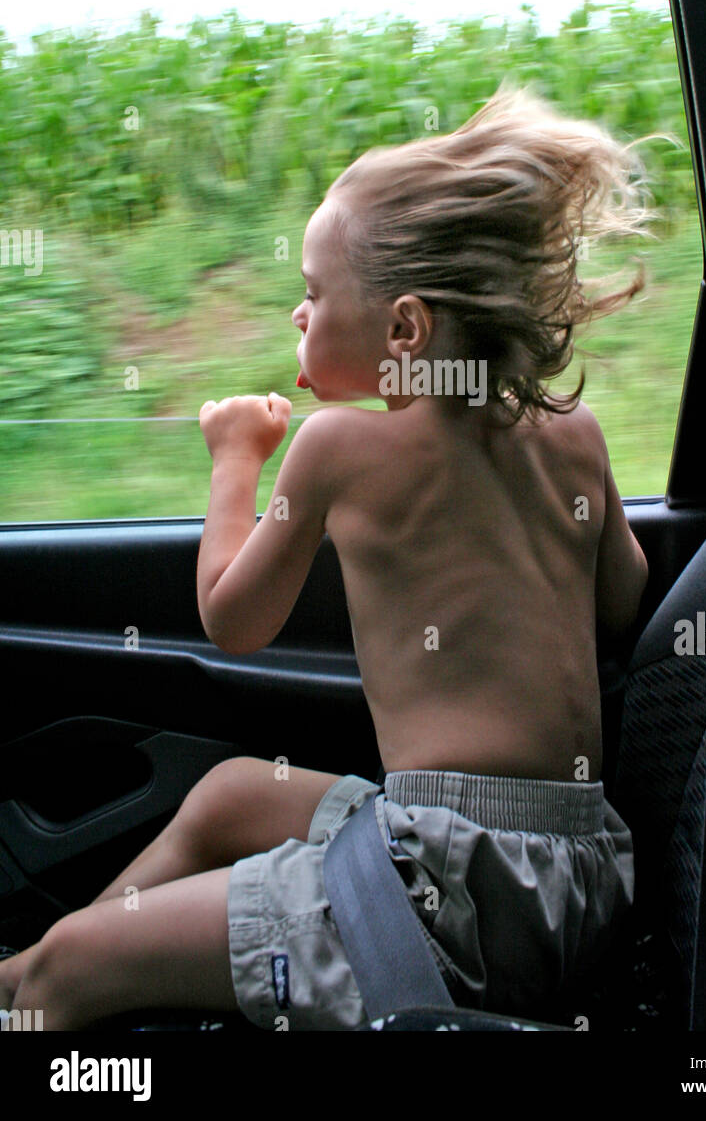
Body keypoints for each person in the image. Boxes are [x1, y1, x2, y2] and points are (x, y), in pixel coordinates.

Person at [0, 78, 652, 1030]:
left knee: (58, 973)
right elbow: (623, 604)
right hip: (582, 873)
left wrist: (235, 460)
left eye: (312, 293)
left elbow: (233, 618)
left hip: (448, 895)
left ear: (404, 328)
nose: (298, 317)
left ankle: (55, 977)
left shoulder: (339, 449)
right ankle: (101, 960)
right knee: (228, 797)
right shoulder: (576, 433)